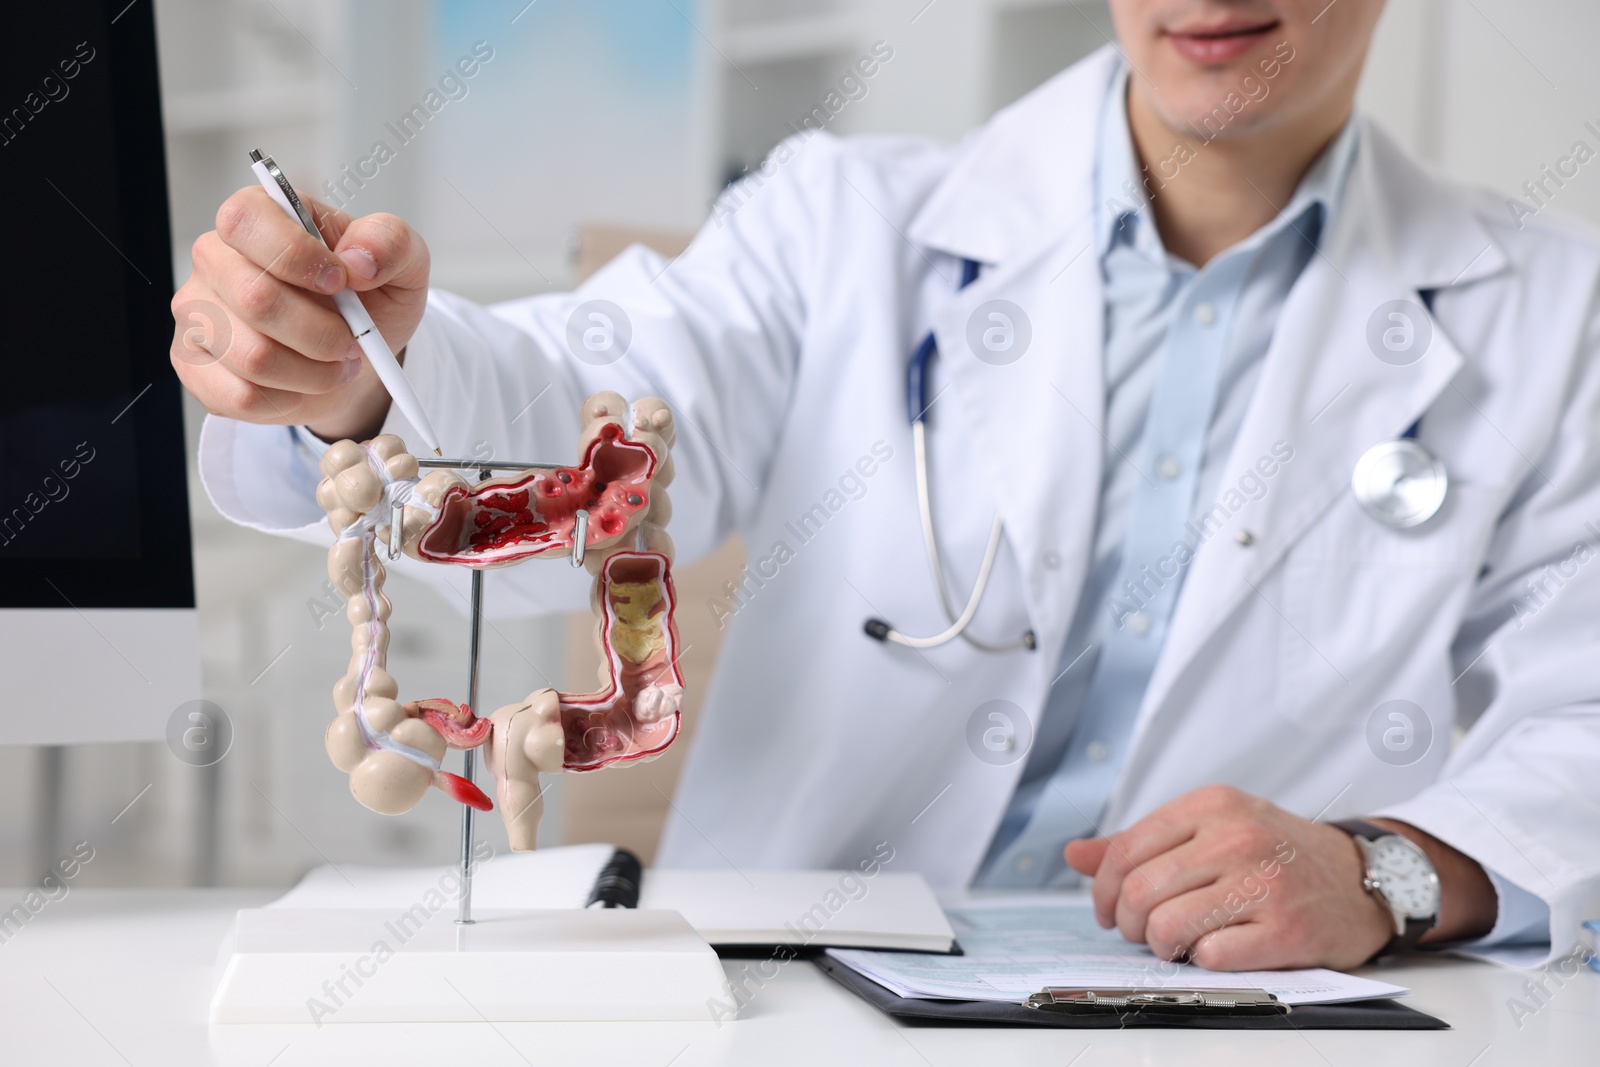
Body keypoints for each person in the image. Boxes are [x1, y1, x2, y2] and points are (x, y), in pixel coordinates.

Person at [174, 0, 1600, 972]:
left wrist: (1396, 869)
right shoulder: (840, 222)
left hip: (1256, 1025)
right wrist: (368, 377)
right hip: (805, 1003)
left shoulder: (1553, 314)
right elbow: (591, 436)